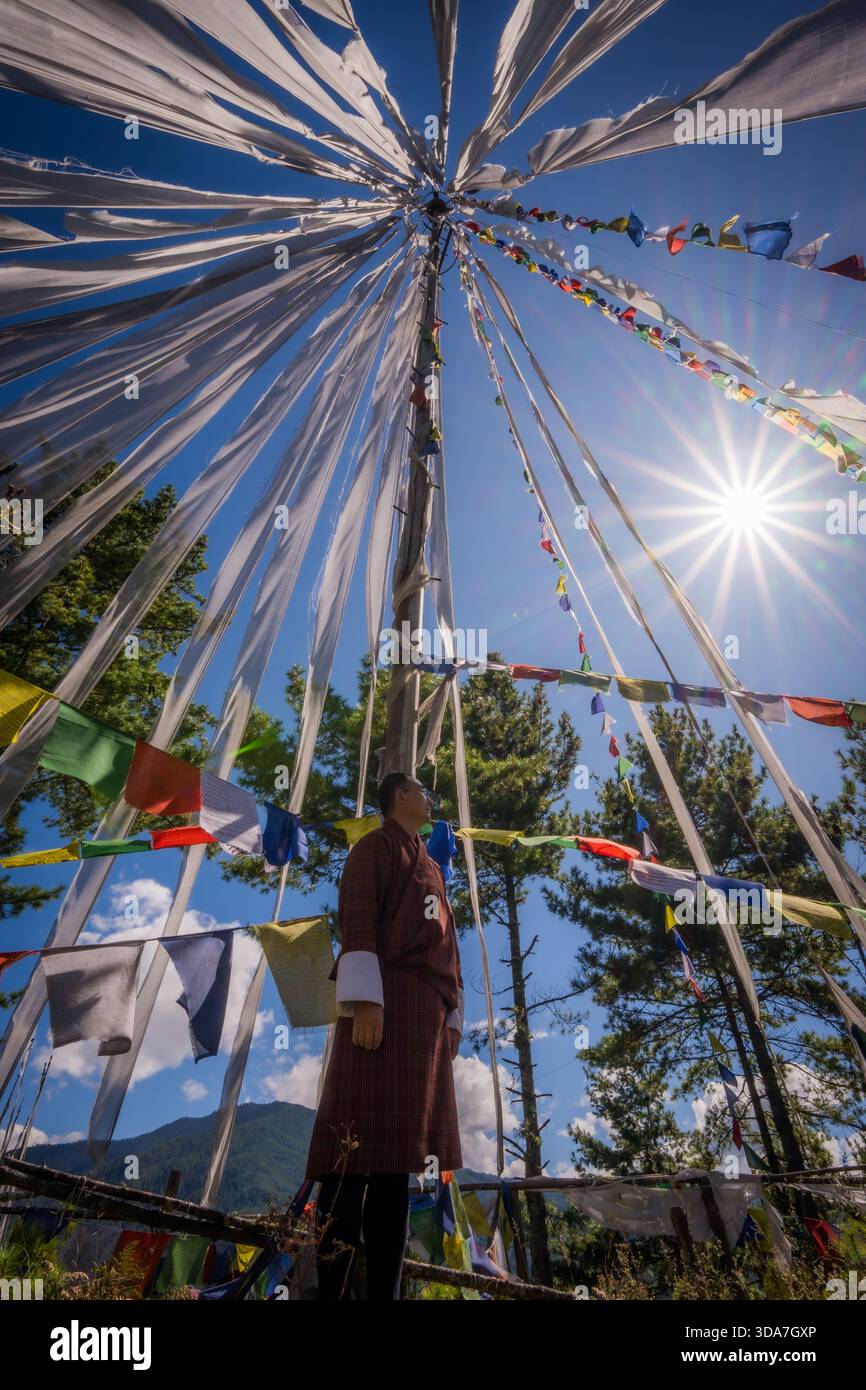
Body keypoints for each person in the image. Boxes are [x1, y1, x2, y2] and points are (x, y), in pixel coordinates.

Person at [305, 771, 464, 1300]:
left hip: (422, 1022)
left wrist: (452, 1015)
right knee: (349, 1163)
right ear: (399, 796)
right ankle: (329, 1291)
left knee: (397, 1168)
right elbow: (358, 919)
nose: (429, 797)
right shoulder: (374, 847)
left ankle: (384, 1296)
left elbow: (450, 947)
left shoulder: (434, 868)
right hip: (382, 1005)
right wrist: (366, 1000)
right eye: (422, 789)